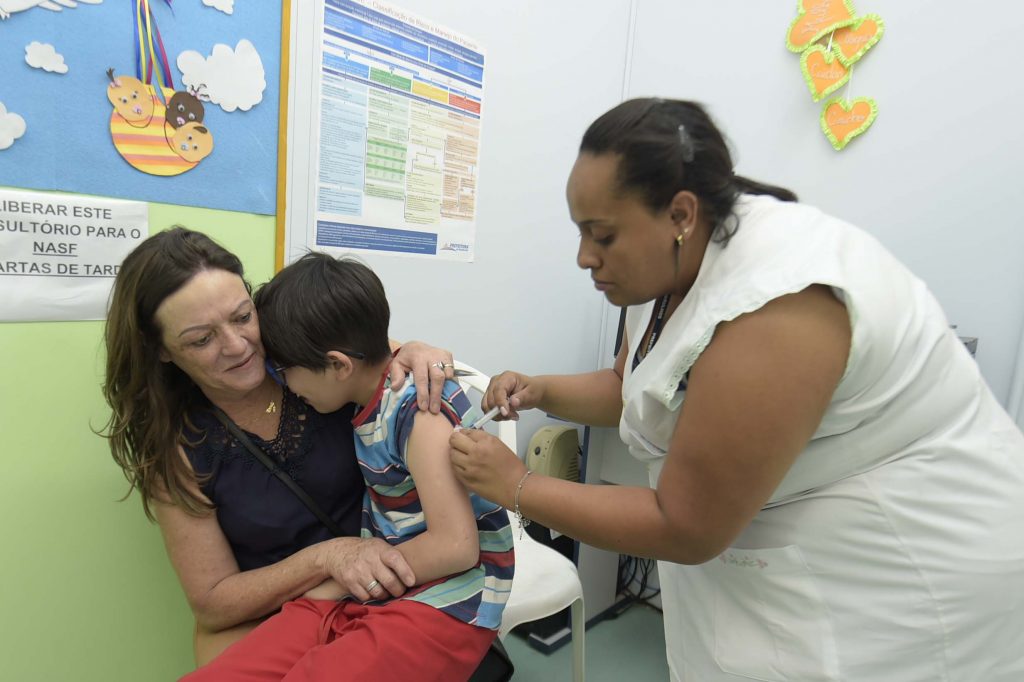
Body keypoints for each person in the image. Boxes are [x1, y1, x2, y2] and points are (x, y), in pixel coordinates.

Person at [448, 97, 1024, 681]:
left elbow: (684, 524)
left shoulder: (780, 301)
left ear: (680, 214)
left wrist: (516, 484)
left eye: (602, 235)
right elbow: (634, 386)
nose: (583, 258)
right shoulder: (665, 269)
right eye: (580, 232)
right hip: (776, 565)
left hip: (902, 584)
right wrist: (542, 390)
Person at [102, 227, 461, 668]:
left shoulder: (306, 350)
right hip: (288, 609)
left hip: (397, 582)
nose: (237, 347)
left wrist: (421, 352)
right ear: (161, 350)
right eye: (201, 339)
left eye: (242, 317)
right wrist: (327, 559)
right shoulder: (178, 446)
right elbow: (213, 601)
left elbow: (381, 359)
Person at [180, 251, 514, 681]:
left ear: (338, 365)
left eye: (283, 370)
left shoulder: (419, 411)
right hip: (376, 583)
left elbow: (456, 547)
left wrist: (336, 584)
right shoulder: (362, 398)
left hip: (446, 600)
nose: (285, 385)